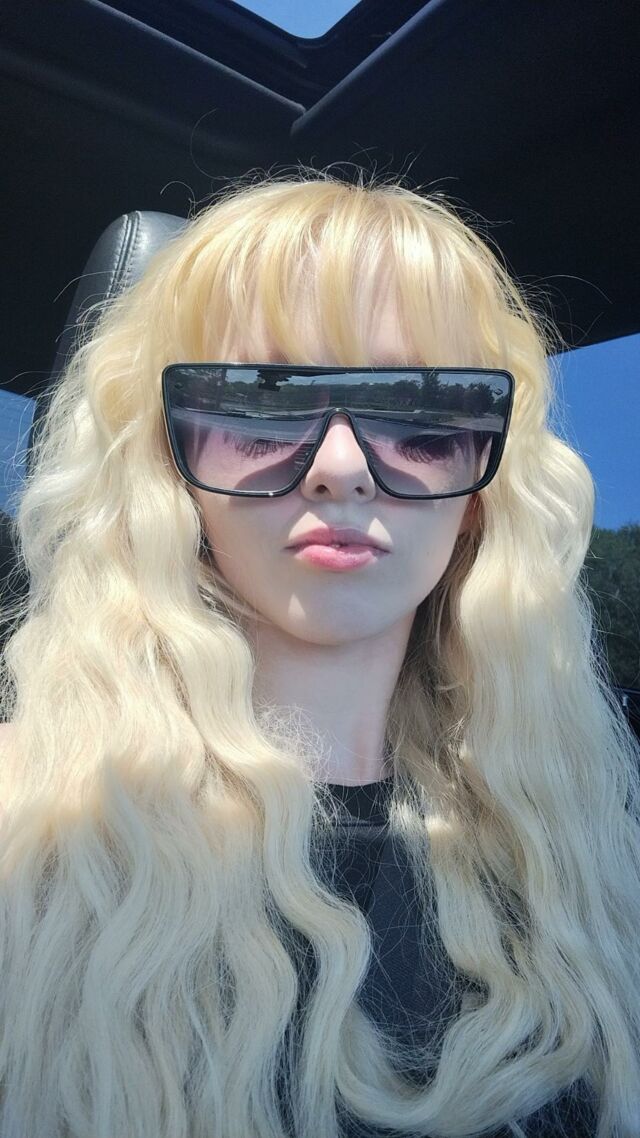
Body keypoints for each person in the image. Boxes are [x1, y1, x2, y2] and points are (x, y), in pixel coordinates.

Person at [0, 169, 639, 1138]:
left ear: (482, 485)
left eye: (419, 413)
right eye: (260, 402)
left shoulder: (587, 851)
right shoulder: (25, 820)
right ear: (167, 464)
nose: (341, 468)